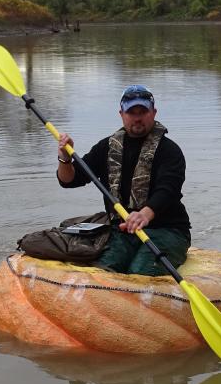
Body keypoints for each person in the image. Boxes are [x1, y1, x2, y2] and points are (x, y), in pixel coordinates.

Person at [56, 84, 191, 276]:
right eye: (131, 112)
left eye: (142, 111)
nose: (137, 117)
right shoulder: (107, 147)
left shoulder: (170, 151)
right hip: (123, 231)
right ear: (121, 114)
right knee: (103, 272)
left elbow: (168, 190)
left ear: (153, 112)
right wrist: (65, 158)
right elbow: (69, 180)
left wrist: (144, 214)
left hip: (168, 230)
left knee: (139, 272)